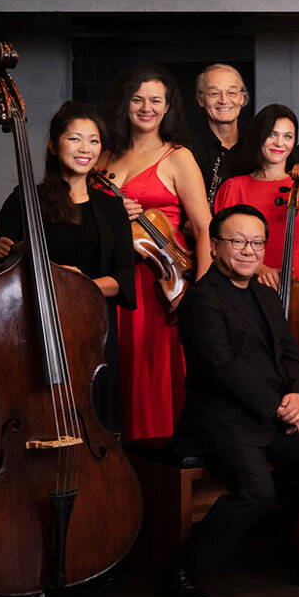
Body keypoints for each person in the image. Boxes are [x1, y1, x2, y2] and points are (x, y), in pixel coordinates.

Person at [162, 204, 299, 597]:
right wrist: (278, 405)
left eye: (257, 243)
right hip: (224, 420)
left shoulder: (265, 294)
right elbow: (222, 370)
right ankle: (184, 569)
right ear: (215, 246)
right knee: (257, 491)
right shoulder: (201, 300)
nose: (249, 251)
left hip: (275, 414)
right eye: (238, 242)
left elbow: (290, 353)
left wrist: (297, 395)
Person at [100, 65, 213, 441]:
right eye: (138, 99)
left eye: (155, 100)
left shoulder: (178, 157)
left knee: (154, 374)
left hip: (160, 284)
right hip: (111, 280)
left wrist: (201, 294)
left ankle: (155, 458)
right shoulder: (104, 157)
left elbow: (204, 229)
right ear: (125, 103)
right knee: (113, 372)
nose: (146, 108)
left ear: (167, 107)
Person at [0, 101, 136, 310]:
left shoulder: (112, 207)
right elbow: (4, 271)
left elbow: (124, 277)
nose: (85, 149)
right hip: (33, 315)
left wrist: (80, 284)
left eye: (94, 141)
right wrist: (4, 251)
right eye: (74, 139)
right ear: (53, 145)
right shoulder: (22, 200)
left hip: (94, 318)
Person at [213, 105, 299, 295]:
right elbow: (222, 247)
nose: (280, 143)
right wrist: (258, 268)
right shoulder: (233, 188)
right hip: (247, 278)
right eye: (272, 134)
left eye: (288, 136)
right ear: (259, 137)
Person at [189, 63, 247, 203]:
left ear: (242, 98)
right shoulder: (186, 149)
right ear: (201, 100)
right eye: (214, 93)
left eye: (231, 93)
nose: (224, 100)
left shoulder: (257, 146)